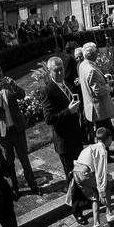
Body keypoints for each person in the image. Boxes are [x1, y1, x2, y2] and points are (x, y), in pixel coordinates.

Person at [0, 63, 39, 195]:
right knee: (9, 163)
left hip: (17, 129)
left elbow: (22, 95)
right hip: (3, 133)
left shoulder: (9, 84)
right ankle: (15, 189)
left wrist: (13, 85)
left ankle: (33, 186)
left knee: (24, 159)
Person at [42, 56, 85, 192]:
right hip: (64, 141)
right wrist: (68, 111)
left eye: (61, 69)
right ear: (50, 72)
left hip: (76, 135)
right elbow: (49, 118)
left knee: (81, 170)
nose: (60, 73)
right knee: (71, 176)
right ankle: (75, 205)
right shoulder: (48, 90)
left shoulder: (67, 83)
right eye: (56, 71)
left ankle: (85, 198)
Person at [71, 127, 114, 227]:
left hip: (76, 173)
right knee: (106, 186)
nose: (112, 140)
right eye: (111, 138)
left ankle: (97, 225)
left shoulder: (92, 147)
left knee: (95, 198)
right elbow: (100, 172)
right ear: (108, 139)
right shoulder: (102, 151)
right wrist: (102, 191)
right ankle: (109, 214)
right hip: (85, 174)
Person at [79, 42, 114, 137]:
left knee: (105, 130)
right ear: (91, 54)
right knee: (103, 133)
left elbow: (90, 82)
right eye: (96, 52)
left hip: (91, 105)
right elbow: (98, 90)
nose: (98, 54)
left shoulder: (82, 65)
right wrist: (108, 86)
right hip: (98, 108)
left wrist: (103, 79)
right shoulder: (91, 69)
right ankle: (105, 150)